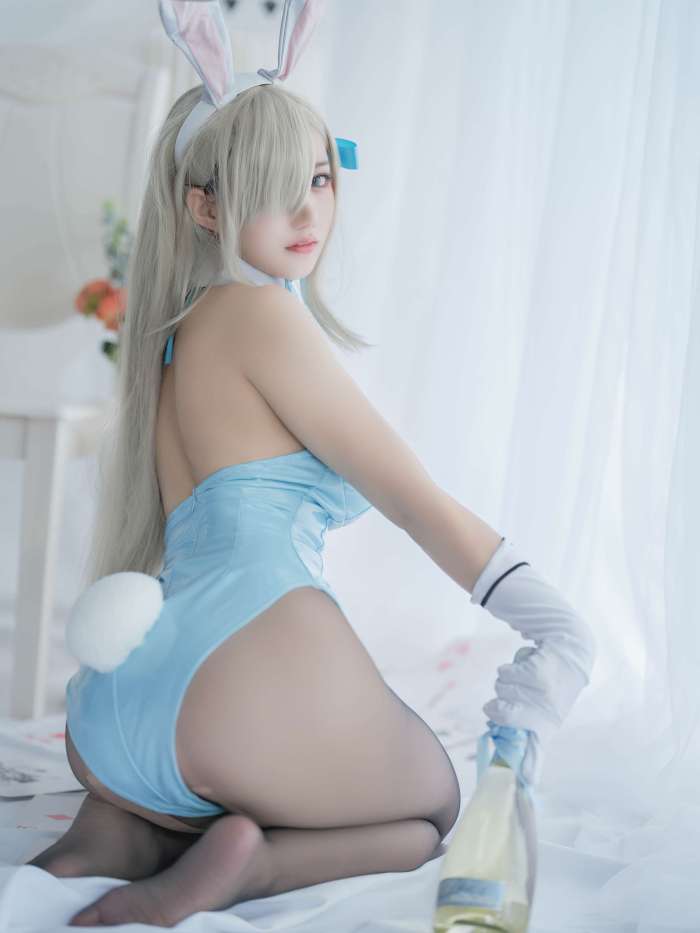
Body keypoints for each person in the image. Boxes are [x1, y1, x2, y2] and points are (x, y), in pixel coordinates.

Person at [25, 2, 595, 927]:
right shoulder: (261, 314)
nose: (307, 211)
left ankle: (127, 832)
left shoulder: (177, 333)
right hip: (233, 691)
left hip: (119, 714)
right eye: (273, 186)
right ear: (205, 205)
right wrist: (554, 623)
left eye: (320, 178)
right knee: (433, 812)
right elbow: (410, 499)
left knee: (242, 781)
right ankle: (249, 863)